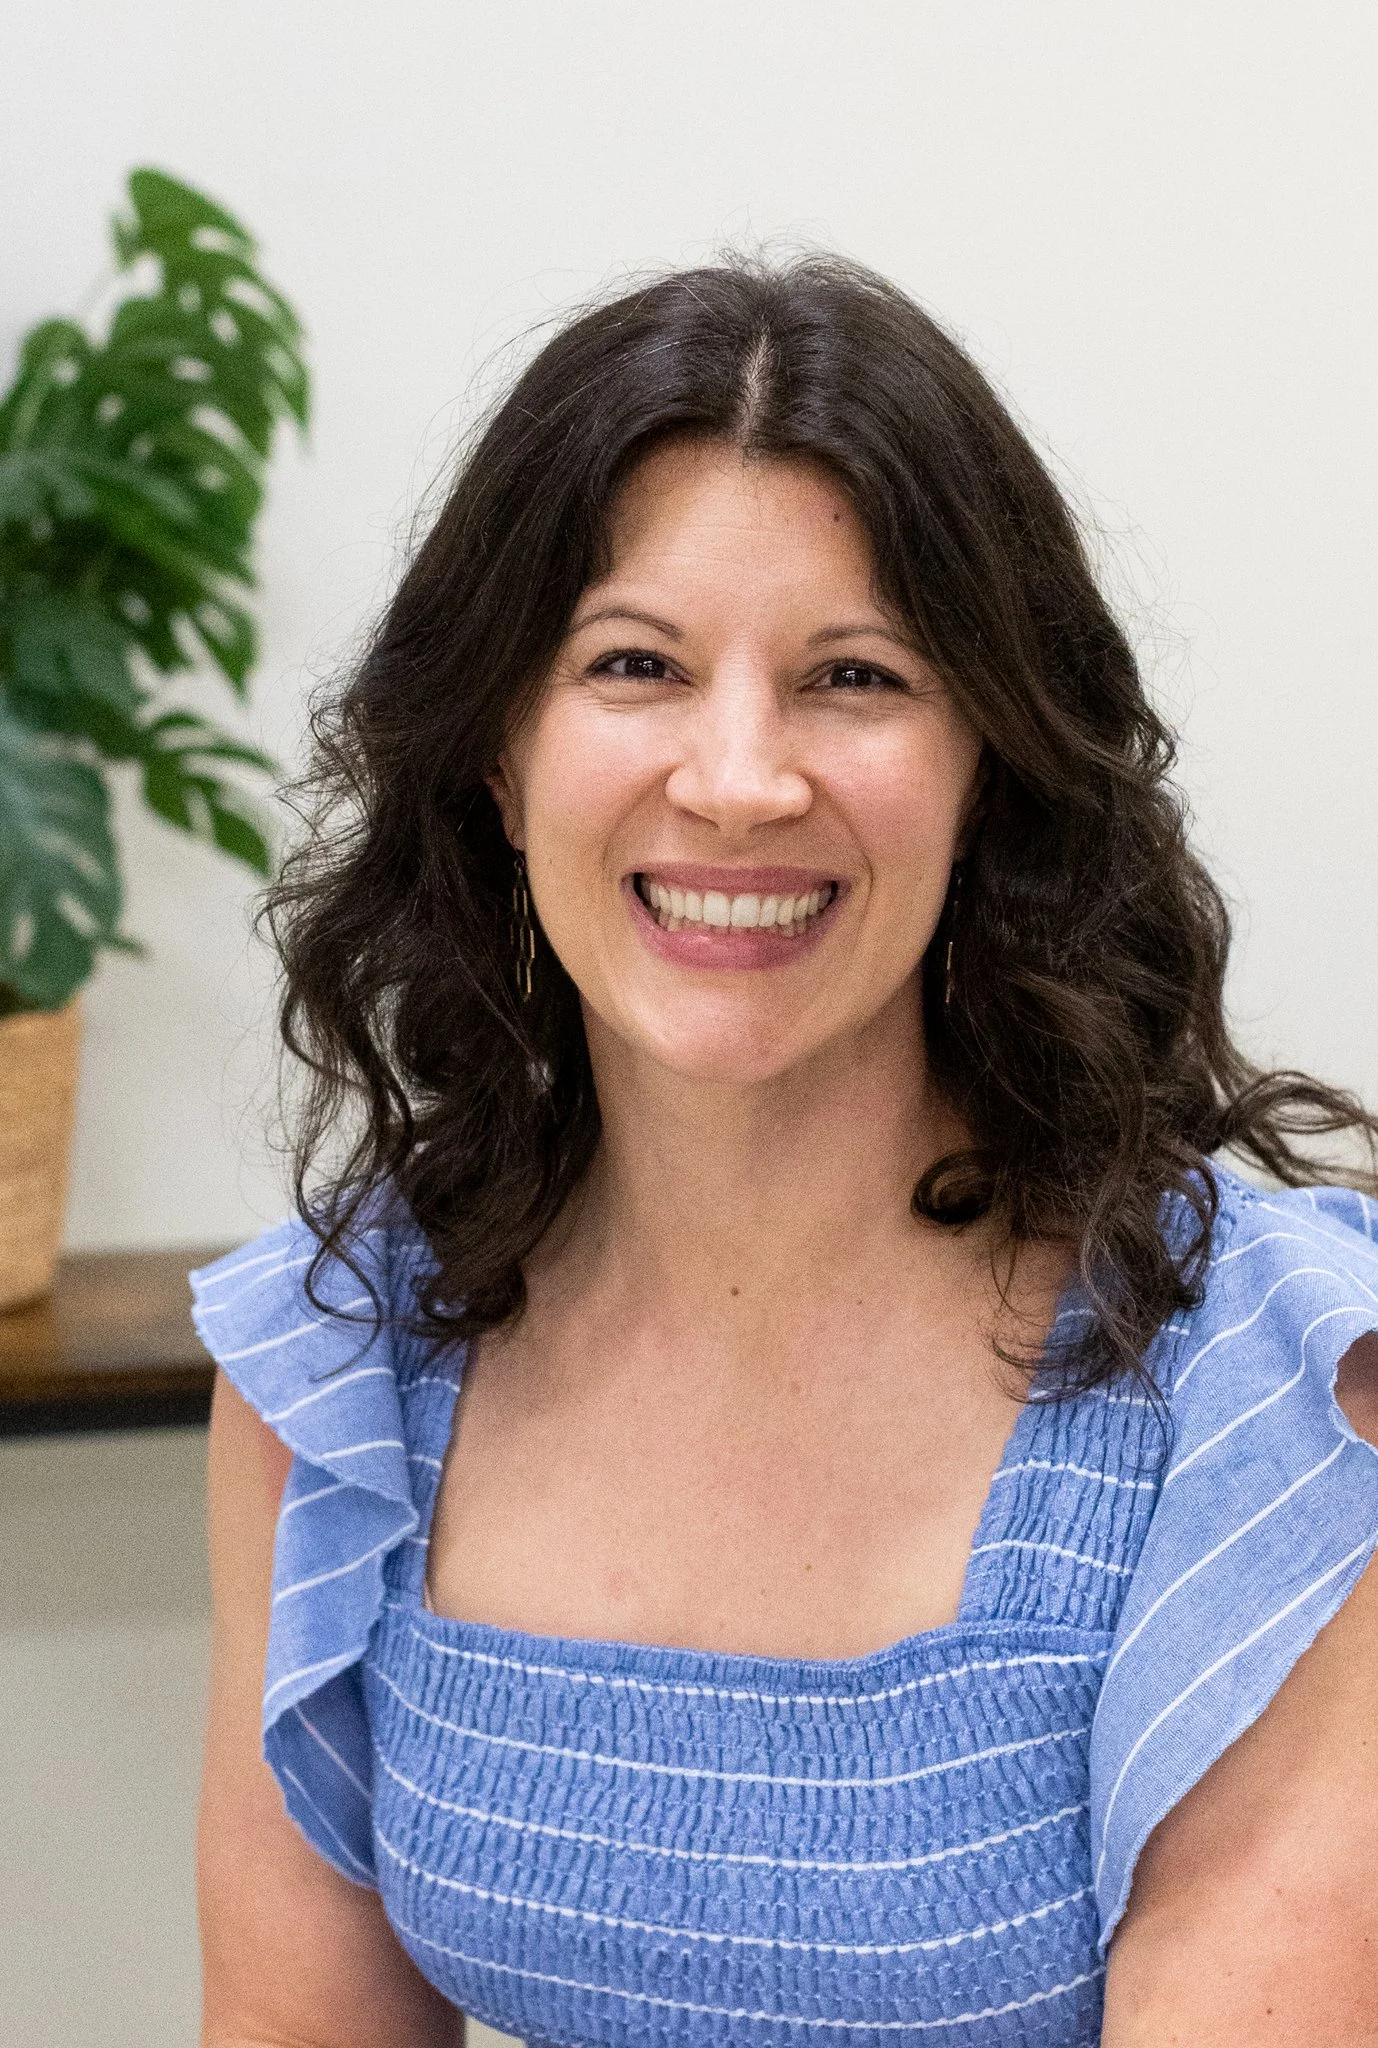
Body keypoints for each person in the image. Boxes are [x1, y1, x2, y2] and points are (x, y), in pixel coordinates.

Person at [194, 257, 1378, 2048]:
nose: (737, 779)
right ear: (500, 760)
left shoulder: (1277, 1406)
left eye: (852, 676)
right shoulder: (341, 1365)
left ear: (990, 762)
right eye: (632, 666)